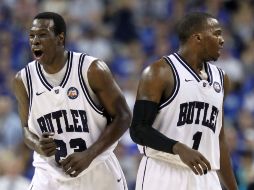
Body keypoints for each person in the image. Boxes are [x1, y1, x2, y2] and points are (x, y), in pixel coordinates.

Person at [12, 12, 131, 190]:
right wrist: (37, 144)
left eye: (42, 35)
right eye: (32, 36)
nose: (35, 41)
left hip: (97, 171)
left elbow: (123, 116)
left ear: (60, 38)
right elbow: (26, 130)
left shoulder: (91, 70)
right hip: (50, 177)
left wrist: (90, 154)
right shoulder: (23, 80)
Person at [130, 12, 238, 190]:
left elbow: (219, 140)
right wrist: (178, 148)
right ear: (198, 38)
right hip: (164, 170)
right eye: (217, 33)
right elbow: (138, 130)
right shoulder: (160, 72)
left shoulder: (222, 79)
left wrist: (233, 188)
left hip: (205, 175)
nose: (222, 40)